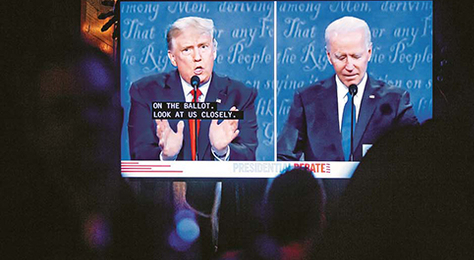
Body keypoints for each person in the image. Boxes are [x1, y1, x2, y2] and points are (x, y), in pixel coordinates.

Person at [277, 16, 419, 162]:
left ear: (369, 52)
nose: (349, 66)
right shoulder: (307, 99)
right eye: (340, 57)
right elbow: (284, 156)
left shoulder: (394, 100)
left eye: (356, 56)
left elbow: (415, 155)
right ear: (328, 56)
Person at [128, 16, 258, 162]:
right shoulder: (146, 92)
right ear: (172, 58)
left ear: (214, 51)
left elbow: (248, 156)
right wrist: (166, 156)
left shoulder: (240, 95)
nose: (197, 57)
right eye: (187, 50)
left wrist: (222, 151)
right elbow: (139, 154)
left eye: (203, 47)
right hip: (168, 185)